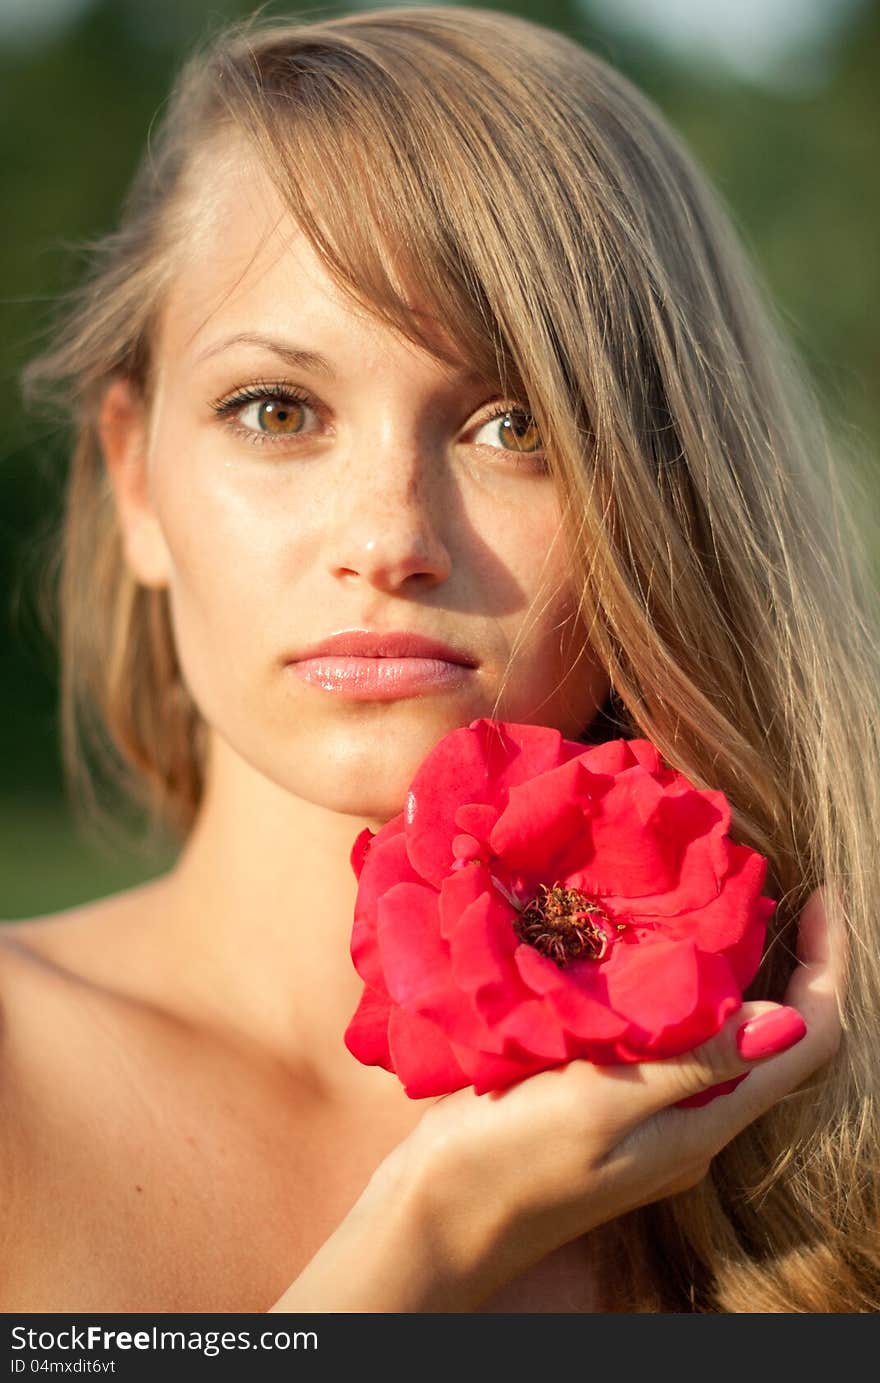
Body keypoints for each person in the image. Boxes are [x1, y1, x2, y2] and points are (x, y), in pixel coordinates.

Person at [3, 3, 877, 1313]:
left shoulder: (832, 1140)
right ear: (136, 480)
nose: (391, 539)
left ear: (673, 496)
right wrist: (431, 1236)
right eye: (276, 409)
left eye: (513, 422)